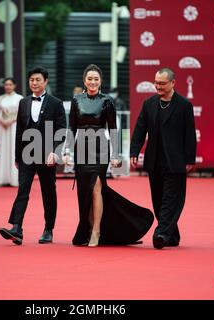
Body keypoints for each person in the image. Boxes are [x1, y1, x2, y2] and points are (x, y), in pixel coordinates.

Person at [63, 64, 154, 247]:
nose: (93, 82)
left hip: (100, 148)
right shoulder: (76, 100)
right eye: (90, 78)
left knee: (96, 187)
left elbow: (113, 129)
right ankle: (88, 228)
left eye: (96, 79)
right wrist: (67, 150)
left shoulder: (107, 101)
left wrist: (116, 154)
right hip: (82, 148)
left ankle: (96, 230)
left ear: (101, 81)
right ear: (84, 81)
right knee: (84, 193)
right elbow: (71, 128)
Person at [0, 67, 67, 245]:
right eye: (31, 80)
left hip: (47, 155)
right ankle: (16, 228)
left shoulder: (55, 103)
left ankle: (48, 229)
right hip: (26, 154)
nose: (34, 83)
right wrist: (17, 156)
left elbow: (61, 131)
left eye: (37, 80)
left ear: (45, 81)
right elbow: (19, 131)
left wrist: (56, 152)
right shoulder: (24, 102)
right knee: (23, 190)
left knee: (48, 192)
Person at [130, 67, 196, 250]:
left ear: (173, 83)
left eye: (162, 83)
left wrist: (190, 159)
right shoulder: (149, 103)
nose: (158, 86)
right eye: (156, 83)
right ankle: (172, 235)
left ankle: (161, 234)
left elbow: (189, 134)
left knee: (170, 199)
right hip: (154, 160)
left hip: (176, 161)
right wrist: (134, 151)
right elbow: (140, 129)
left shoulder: (184, 105)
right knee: (158, 200)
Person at [0, 77, 23, 187]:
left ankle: (14, 179)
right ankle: (3, 178)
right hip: (3, 127)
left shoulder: (19, 98)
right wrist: (2, 121)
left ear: (14, 86)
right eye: (6, 84)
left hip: (15, 126)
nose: (8, 86)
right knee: (3, 150)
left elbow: (22, 113)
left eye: (10, 84)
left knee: (13, 149)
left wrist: (11, 121)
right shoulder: (1, 98)